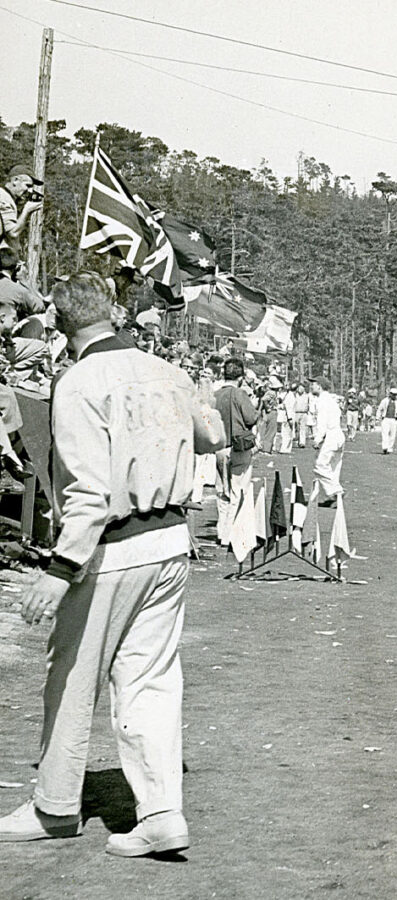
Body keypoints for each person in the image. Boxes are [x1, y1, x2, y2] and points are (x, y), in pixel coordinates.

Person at [1, 274, 224, 856]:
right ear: (114, 314)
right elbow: (212, 435)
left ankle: (54, 806)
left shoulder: (78, 381)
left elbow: (90, 492)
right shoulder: (167, 372)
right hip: (171, 541)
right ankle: (160, 811)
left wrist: (58, 569)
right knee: (150, 676)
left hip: (113, 546)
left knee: (74, 676)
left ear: (59, 321)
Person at [212, 358, 260, 547]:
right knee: (238, 490)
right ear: (240, 377)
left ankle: (221, 531)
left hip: (219, 447)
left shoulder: (215, 395)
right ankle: (232, 533)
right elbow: (251, 418)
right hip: (238, 446)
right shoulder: (240, 394)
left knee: (222, 491)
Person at [309, 378, 345, 505]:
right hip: (338, 435)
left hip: (331, 434)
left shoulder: (322, 401)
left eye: (313, 384)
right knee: (333, 468)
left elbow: (322, 422)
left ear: (319, 386)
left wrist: (317, 439)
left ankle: (337, 491)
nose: (311, 386)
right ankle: (332, 498)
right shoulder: (331, 400)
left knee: (320, 465)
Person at [0, 164, 44, 255]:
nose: (30, 191)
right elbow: (13, 232)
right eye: (28, 185)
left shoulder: (8, 198)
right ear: (15, 180)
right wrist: (27, 210)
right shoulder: (3, 198)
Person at [377, 388, 397, 454]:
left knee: (392, 435)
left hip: (394, 420)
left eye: (395, 395)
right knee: (385, 434)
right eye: (393, 394)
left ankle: (390, 447)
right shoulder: (385, 401)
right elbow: (380, 409)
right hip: (386, 418)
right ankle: (385, 447)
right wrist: (377, 417)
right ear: (390, 394)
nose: (394, 396)